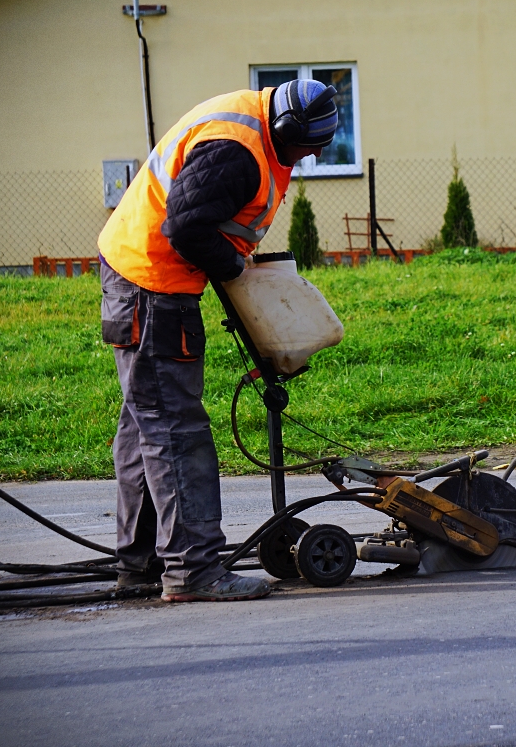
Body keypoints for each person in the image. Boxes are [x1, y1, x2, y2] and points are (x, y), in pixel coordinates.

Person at [96, 79, 338, 601]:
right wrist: (232, 268)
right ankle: (192, 571)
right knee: (175, 430)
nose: (314, 156)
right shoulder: (236, 152)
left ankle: (140, 565)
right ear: (284, 128)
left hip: (139, 277)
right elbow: (186, 227)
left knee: (146, 425)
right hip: (153, 288)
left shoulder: (256, 126)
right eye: (308, 147)